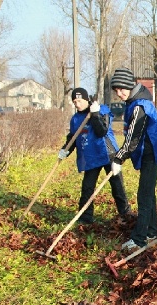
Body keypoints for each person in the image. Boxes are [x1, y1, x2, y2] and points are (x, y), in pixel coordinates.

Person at [109, 67, 157, 251]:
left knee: (144, 196)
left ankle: (139, 239)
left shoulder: (139, 106)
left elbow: (132, 139)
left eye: (122, 89)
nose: (119, 94)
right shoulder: (135, 102)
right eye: (116, 90)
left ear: (130, 86)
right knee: (148, 193)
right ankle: (151, 231)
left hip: (151, 154)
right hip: (148, 153)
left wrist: (118, 159)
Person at [58, 87, 131, 225]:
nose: (77, 104)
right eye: (74, 101)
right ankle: (86, 218)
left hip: (108, 153)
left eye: (79, 100)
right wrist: (65, 150)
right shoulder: (75, 119)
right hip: (91, 157)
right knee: (87, 187)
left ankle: (126, 214)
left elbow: (101, 131)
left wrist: (95, 114)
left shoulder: (102, 110)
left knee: (117, 186)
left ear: (86, 99)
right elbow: (73, 138)